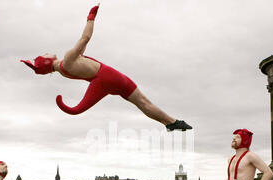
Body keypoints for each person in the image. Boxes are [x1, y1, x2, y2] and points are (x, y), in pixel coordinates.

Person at [20, 5, 192, 132]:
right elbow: (85, 38)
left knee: (141, 103)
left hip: (104, 81)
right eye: (45, 54)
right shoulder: (67, 60)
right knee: (143, 101)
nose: (48, 52)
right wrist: (91, 17)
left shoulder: (66, 69)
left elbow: (82, 51)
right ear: (46, 61)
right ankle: (170, 121)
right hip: (107, 76)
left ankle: (169, 122)